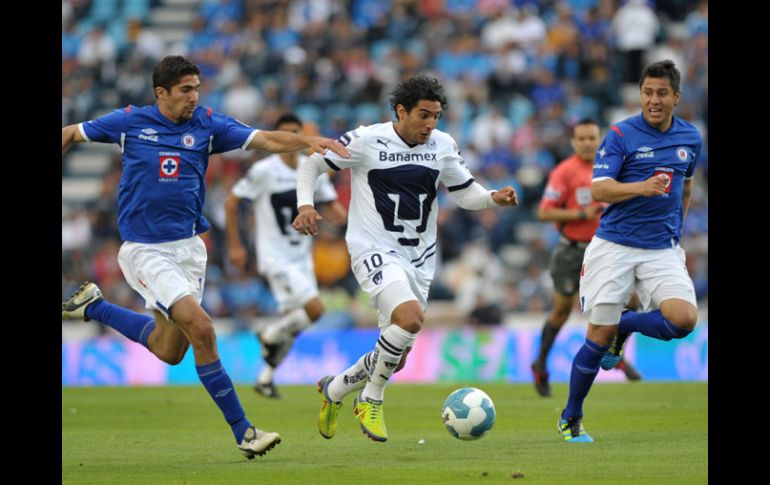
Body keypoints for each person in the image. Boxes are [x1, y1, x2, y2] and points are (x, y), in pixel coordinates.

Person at [61, 55, 349, 459]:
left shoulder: (208, 125)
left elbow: (264, 139)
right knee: (202, 327)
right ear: (161, 93)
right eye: (184, 90)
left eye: (196, 88)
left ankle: (94, 306)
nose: (193, 97)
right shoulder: (129, 122)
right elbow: (72, 132)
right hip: (145, 249)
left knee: (169, 349)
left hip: (190, 250)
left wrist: (307, 142)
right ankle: (244, 431)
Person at [292, 75, 519, 442]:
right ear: (401, 111)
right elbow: (312, 166)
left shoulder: (442, 145)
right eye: (424, 115)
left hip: (420, 258)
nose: (431, 125)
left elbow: (464, 193)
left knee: (396, 357)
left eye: (437, 117)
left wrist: (494, 197)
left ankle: (335, 390)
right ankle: (372, 398)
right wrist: (305, 205)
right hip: (374, 248)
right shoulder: (366, 139)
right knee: (409, 318)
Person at [559, 60, 700, 442]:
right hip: (614, 246)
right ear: (641, 94)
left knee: (683, 320)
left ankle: (626, 324)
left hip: (661, 248)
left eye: (661, 93)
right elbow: (600, 189)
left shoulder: (690, 138)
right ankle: (572, 417)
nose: (653, 100)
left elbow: (685, 188)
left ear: (676, 97)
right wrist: (641, 187)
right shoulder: (621, 134)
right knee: (597, 336)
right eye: (647, 92)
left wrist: (678, 229)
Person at [224, 112, 347, 399]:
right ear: (279, 138)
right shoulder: (264, 170)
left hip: (302, 256)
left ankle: (265, 377)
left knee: (295, 321)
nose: (292, 138)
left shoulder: (312, 166)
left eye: (296, 132)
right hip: (274, 256)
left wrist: (336, 212)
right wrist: (235, 245)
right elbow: (232, 203)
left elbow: (329, 203)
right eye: (286, 133)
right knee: (314, 309)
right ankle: (268, 334)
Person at [532, 118, 642, 398]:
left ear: (599, 139)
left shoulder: (612, 169)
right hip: (571, 250)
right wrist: (580, 215)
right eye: (581, 138)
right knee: (561, 311)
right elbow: (545, 212)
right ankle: (541, 363)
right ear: (573, 142)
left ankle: (616, 353)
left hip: (606, 250)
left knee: (628, 301)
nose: (587, 143)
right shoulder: (564, 172)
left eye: (592, 138)